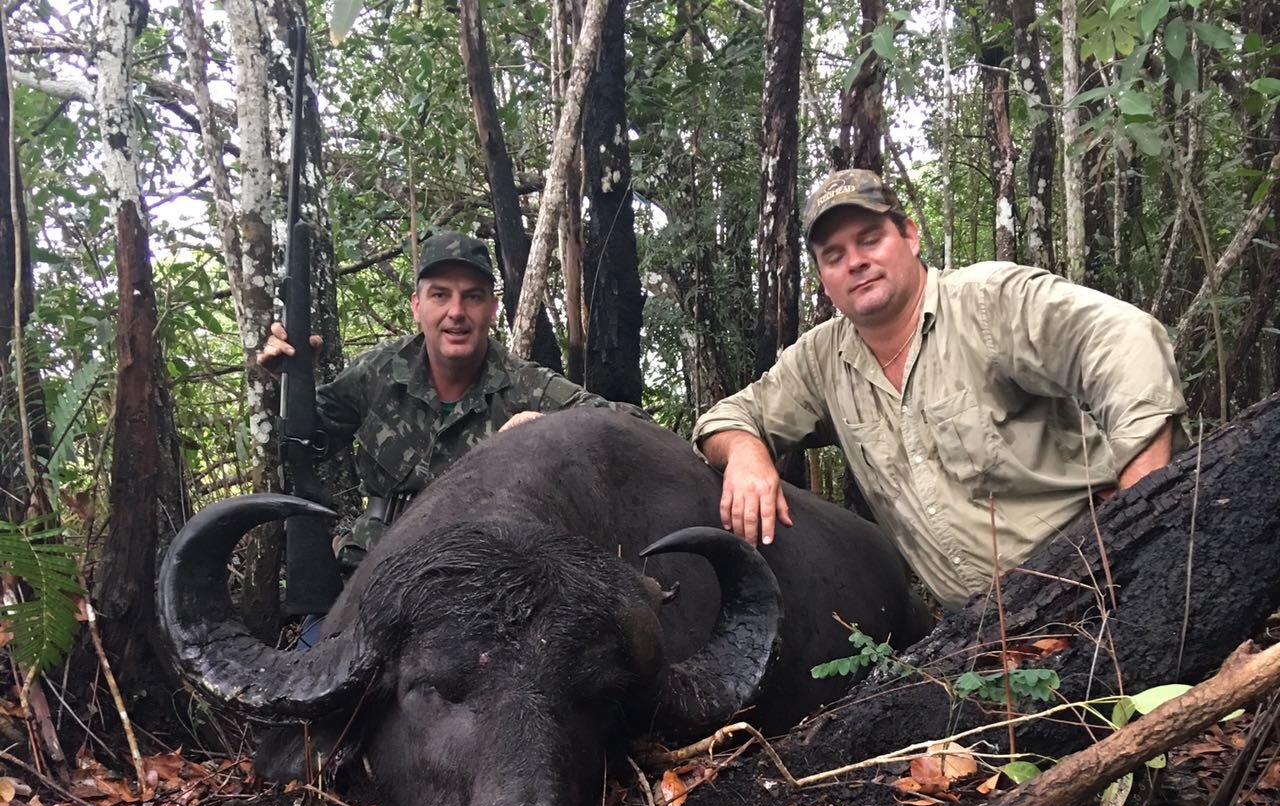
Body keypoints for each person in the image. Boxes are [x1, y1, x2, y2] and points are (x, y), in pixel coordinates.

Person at [692, 169, 1187, 610]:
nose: (857, 263)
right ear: (823, 279)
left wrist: (1138, 511)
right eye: (835, 255)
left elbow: (1125, 340)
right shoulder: (821, 361)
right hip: (985, 632)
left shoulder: (987, 301)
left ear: (909, 235)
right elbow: (729, 417)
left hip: (1104, 575)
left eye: (870, 239)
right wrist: (745, 451)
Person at [260, 229, 644, 571]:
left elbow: (634, 430)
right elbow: (304, 443)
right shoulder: (376, 372)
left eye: (472, 297)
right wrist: (289, 382)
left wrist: (549, 432)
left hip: (476, 580)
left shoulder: (528, 386)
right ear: (417, 306)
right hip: (372, 570)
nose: (456, 312)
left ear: (492, 310)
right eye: (440, 295)